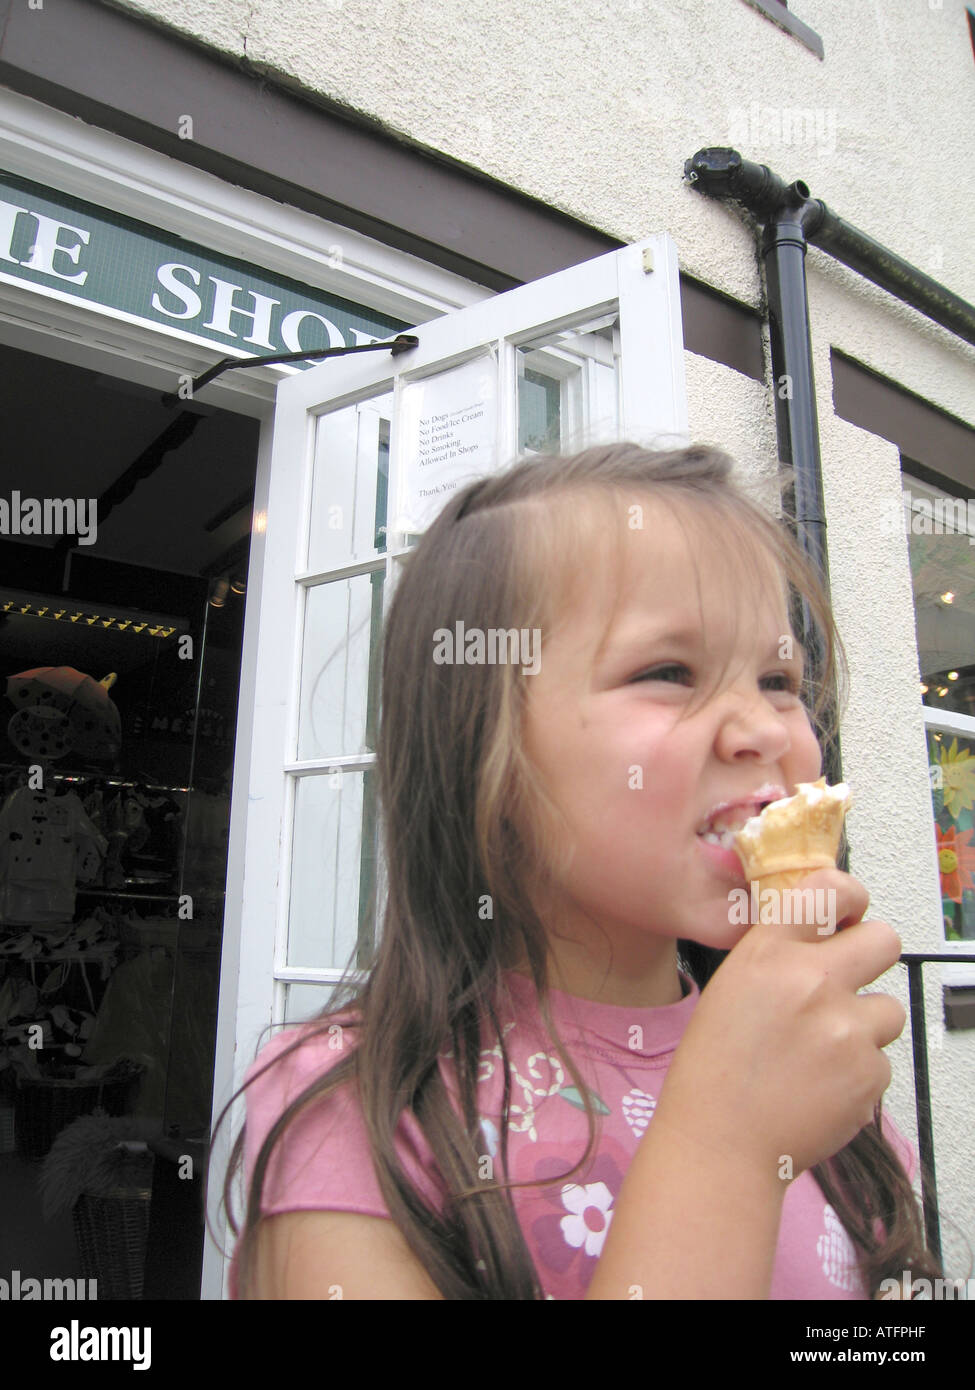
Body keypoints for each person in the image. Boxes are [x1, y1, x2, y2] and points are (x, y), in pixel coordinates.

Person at [212, 441, 944, 1300]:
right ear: (480, 747)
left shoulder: (818, 1072)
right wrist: (725, 1147)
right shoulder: (358, 1113)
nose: (766, 730)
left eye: (779, 677)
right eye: (667, 672)